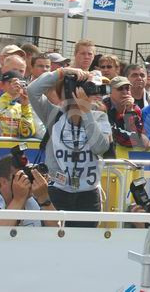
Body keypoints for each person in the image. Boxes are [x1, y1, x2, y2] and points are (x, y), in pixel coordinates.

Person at [26, 67, 111, 227]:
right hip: (57, 191)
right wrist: (62, 72)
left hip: (88, 194)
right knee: (53, 239)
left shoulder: (100, 117)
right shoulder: (53, 114)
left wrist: (85, 111)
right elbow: (32, 90)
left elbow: (100, 148)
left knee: (83, 243)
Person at [0, 155, 56, 226]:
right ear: (3, 182)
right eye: (20, 177)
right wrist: (18, 200)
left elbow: (58, 234)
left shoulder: (34, 200)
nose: (27, 181)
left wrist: (44, 198)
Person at [102, 76, 149, 154]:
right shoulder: (103, 107)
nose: (125, 92)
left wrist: (129, 111)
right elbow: (116, 136)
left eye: (127, 88)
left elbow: (144, 140)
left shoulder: (134, 108)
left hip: (129, 160)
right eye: (120, 88)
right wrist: (137, 140)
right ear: (109, 91)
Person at [0, 70, 35, 138]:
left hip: (12, 147)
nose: (16, 86)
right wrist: (9, 96)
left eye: (19, 83)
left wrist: (25, 107)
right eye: (11, 82)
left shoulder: (21, 107)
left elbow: (27, 133)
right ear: (1, 85)